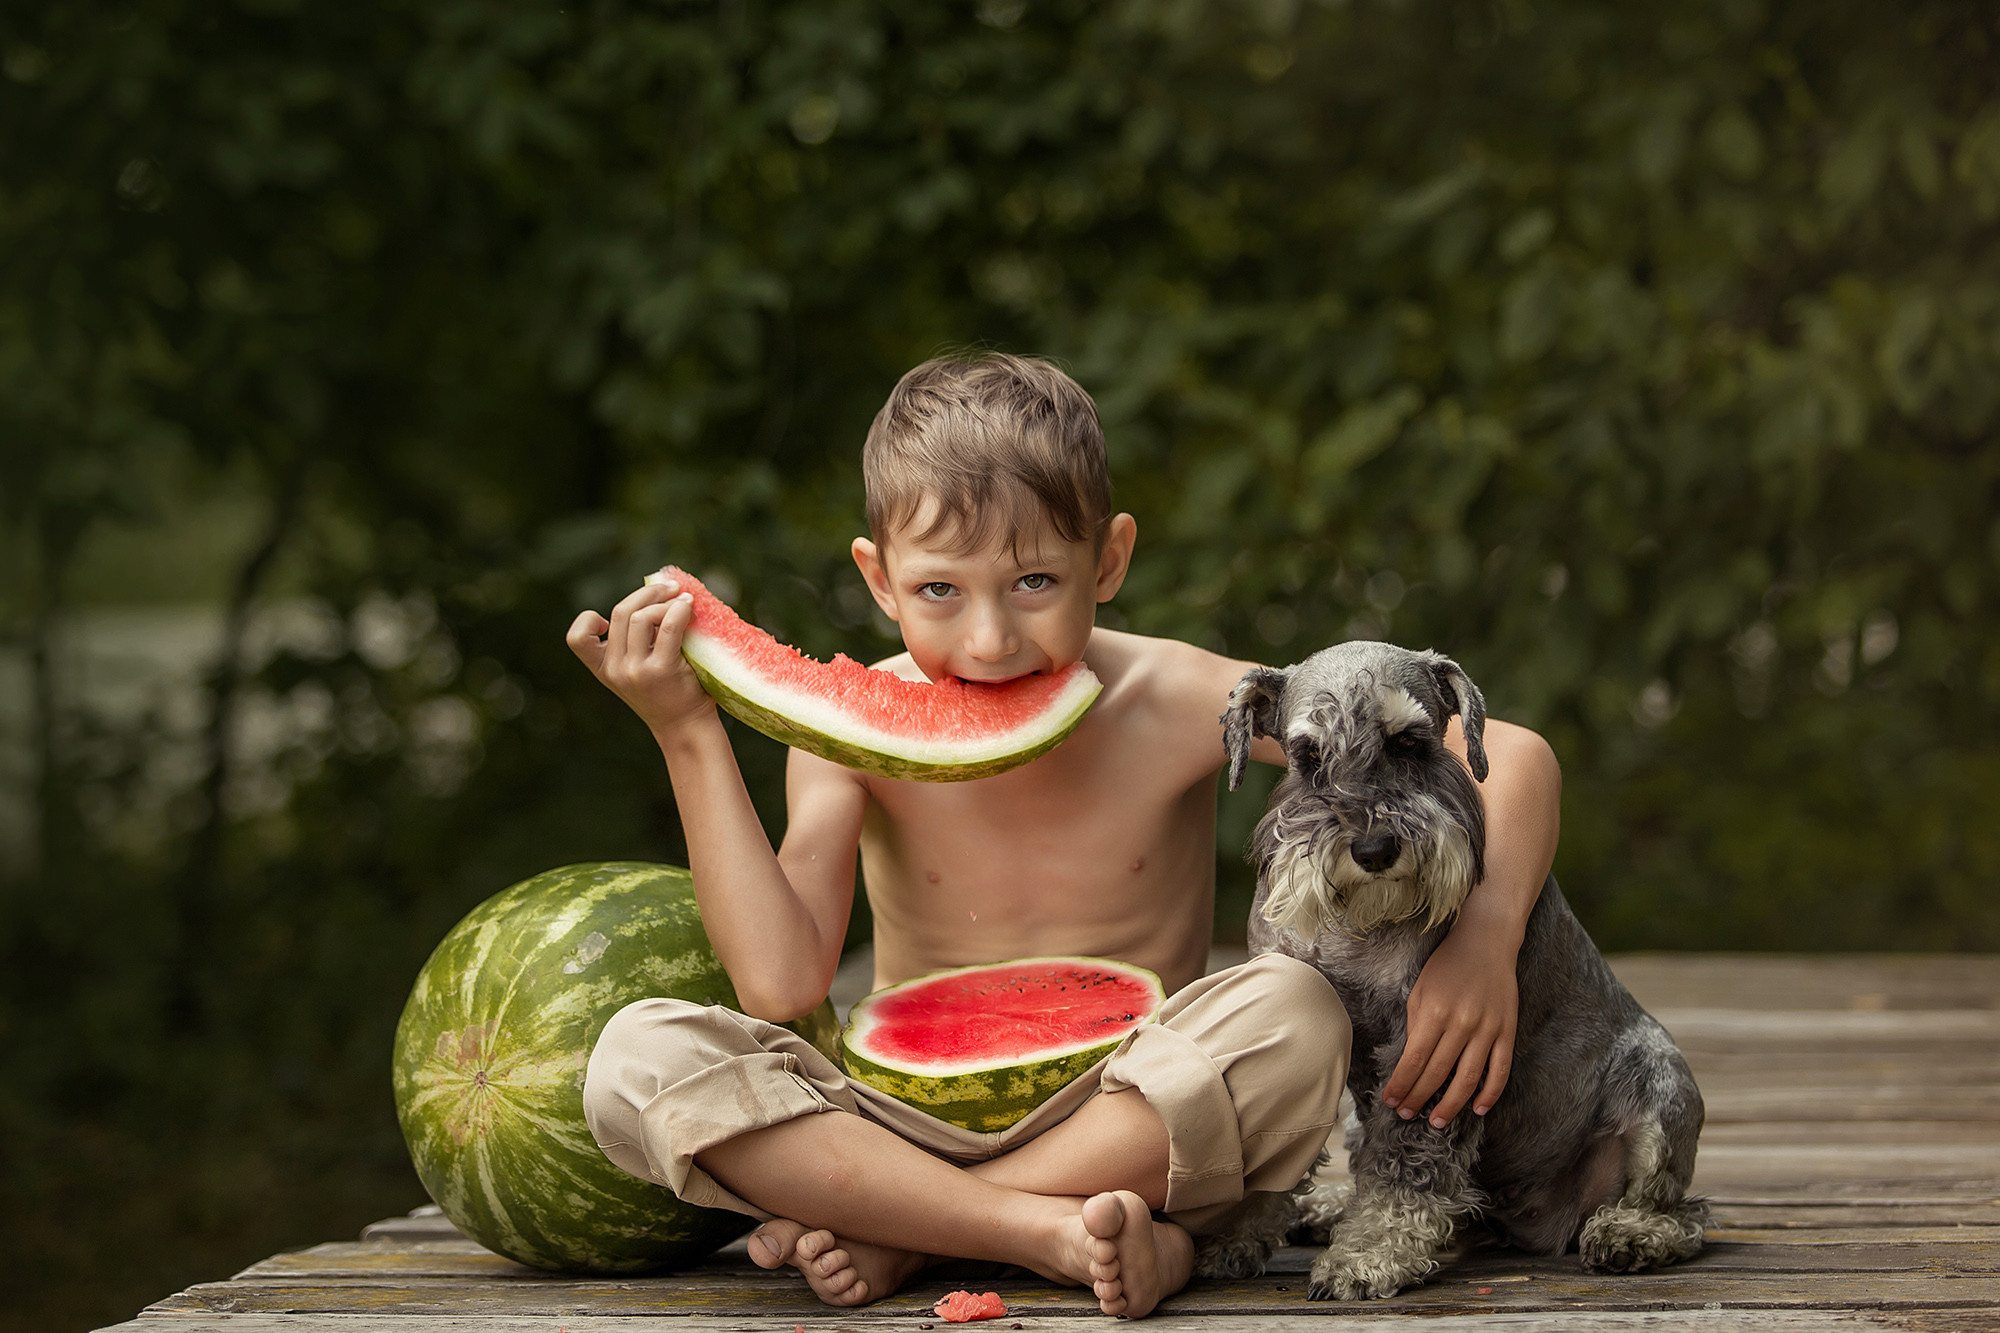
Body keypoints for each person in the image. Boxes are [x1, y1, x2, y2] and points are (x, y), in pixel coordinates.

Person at [565, 352, 1561, 1318]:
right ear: (877, 578)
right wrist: (688, 732)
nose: (990, 640)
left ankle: (908, 1223)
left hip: (1135, 1109)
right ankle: (1039, 1228)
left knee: (1297, 1011)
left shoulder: (1168, 694)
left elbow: (1511, 755)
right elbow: (781, 985)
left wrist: (1485, 934)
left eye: (1035, 581)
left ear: (1110, 557)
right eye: (938, 592)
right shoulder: (844, 734)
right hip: (895, 1114)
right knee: (633, 1056)